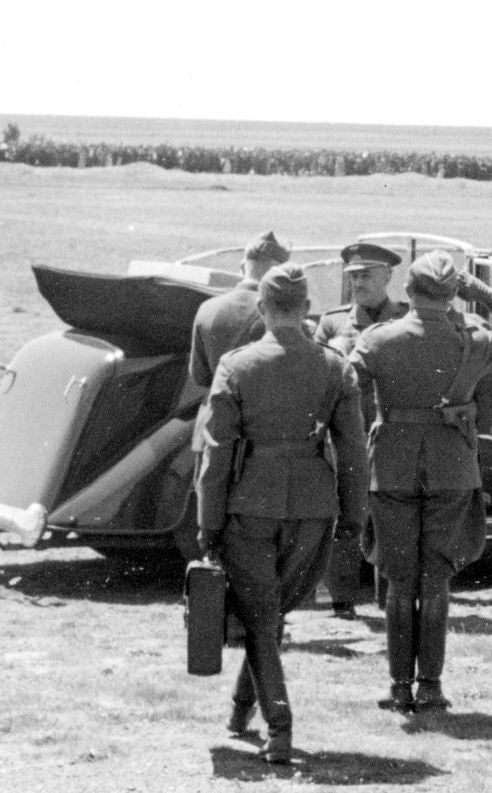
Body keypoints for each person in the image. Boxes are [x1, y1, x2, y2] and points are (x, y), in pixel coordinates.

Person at [350, 250, 492, 714]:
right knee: (436, 577)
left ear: (408, 293)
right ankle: (431, 686)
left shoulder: (377, 339)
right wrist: (477, 288)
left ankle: (399, 688)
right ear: (452, 293)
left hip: (391, 467)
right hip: (452, 468)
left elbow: (343, 383)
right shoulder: (472, 341)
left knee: (398, 579)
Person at [196, 264, 368, 763]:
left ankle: (280, 727)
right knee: (266, 615)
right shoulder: (335, 366)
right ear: (307, 309)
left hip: (248, 506)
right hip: (314, 509)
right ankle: (238, 712)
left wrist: (208, 523)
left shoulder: (235, 365)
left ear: (263, 310)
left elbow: (215, 457)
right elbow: (354, 453)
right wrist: (353, 518)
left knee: (259, 616)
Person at [314, 242, 409, 619]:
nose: (358, 283)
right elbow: (317, 378)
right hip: (348, 434)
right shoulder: (333, 322)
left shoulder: (406, 318)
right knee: (347, 512)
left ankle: (390, 598)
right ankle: (342, 599)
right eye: (353, 276)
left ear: (388, 276)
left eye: (366, 275)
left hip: (391, 431)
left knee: (392, 514)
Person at [189, 231, 291, 445]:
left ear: (242, 267)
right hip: (256, 438)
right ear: (279, 274)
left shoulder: (207, 308)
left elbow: (199, 376)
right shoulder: (279, 314)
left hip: (210, 430)